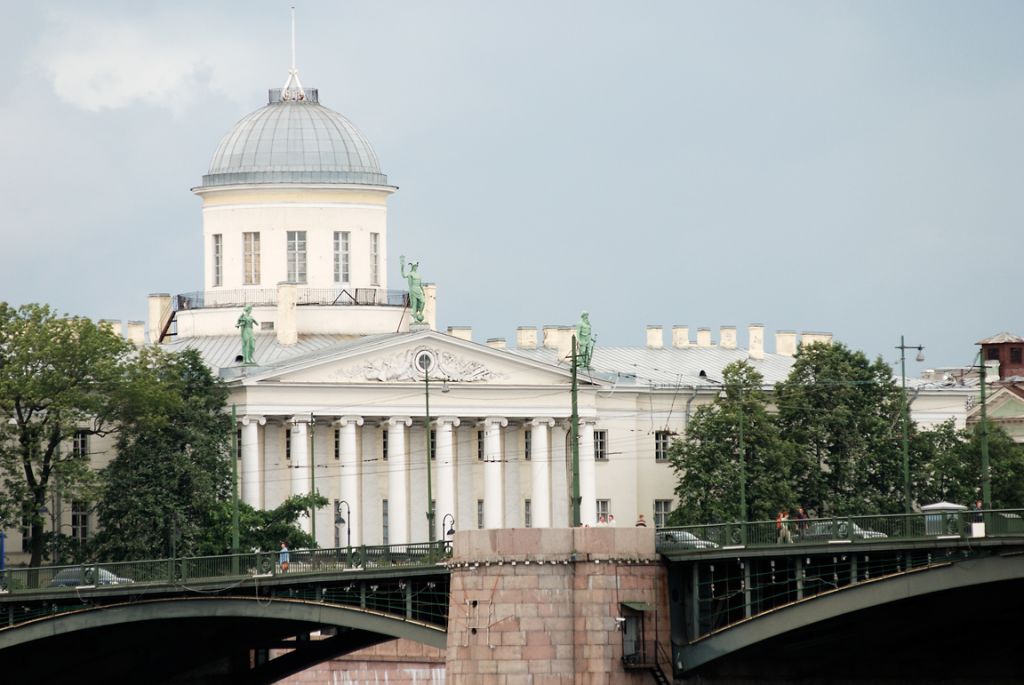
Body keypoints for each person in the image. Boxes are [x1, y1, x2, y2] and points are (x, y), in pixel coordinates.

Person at [400, 255, 426, 323]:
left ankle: (420, 313)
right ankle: (415, 317)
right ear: (412, 267)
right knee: (414, 304)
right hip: (413, 289)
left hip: (419, 290)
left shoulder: (418, 275)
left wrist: (423, 291)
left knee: (423, 301)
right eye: (414, 266)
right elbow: (403, 275)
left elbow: (420, 284)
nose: (415, 267)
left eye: (416, 266)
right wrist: (402, 267)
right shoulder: (410, 274)